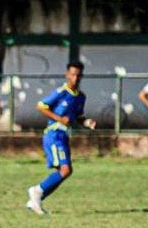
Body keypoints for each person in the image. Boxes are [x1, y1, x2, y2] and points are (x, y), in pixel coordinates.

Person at [26, 60, 96, 215]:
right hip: (54, 134)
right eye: (72, 75)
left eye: (78, 75)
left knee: (65, 172)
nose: (75, 78)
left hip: (63, 136)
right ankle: (36, 191)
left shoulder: (81, 97)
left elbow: (78, 117)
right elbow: (41, 106)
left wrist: (87, 122)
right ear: (67, 75)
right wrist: (59, 118)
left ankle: (35, 199)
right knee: (65, 170)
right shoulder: (61, 92)